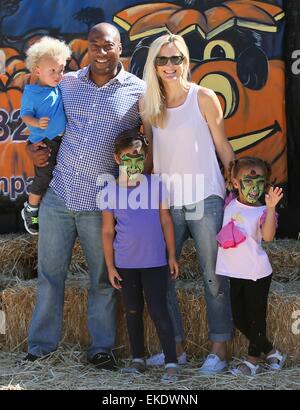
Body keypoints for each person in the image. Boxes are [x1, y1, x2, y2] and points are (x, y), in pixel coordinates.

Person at [24, 23, 146, 370]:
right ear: (87, 49)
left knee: (102, 279)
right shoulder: (67, 82)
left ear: (120, 47)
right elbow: (42, 126)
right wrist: (33, 149)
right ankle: (40, 346)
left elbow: (145, 143)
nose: (101, 52)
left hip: (101, 205)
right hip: (60, 196)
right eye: (94, 46)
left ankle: (102, 348)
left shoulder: (138, 90)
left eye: (108, 46)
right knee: (50, 276)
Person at [142, 34, 234, 373]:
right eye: (162, 60)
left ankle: (219, 349)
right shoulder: (148, 105)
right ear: (153, 65)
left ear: (186, 61)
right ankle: (175, 349)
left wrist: (235, 183)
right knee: (163, 275)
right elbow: (150, 158)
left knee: (213, 275)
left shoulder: (204, 97)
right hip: (167, 203)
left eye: (176, 58)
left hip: (205, 197)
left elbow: (223, 145)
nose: (170, 66)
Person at [101, 129, 180, 381]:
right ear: (117, 159)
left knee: (159, 310)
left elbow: (166, 221)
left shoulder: (156, 185)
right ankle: (138, 358)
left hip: (155, 261)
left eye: (138, 158)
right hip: (126, 263)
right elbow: (106, 232)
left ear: (144, 158)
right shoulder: (108, 191)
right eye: (127, 158)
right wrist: (111, 267)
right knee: (132, 310)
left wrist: (171, 256)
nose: (133, 164)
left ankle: (171, 361)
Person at [216, 156, 286, 376]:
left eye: (259, 183)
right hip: (234, 272)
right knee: (239, 319)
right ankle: (273, 352)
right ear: (236, 182)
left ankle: (252, 362)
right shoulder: (229, 202)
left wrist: (271, 208)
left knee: (256, 319)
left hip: (256, 273)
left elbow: (268, 236)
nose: (254, 188)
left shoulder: (262, 211)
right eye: (248, 182)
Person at [20, 36, 71, 235]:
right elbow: (24, 115)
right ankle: (31, 208)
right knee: (44, 176)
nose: (58, 75)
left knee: (58, 176)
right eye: (53, 71)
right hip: (43, 143)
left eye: (61, 70)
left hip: (61, 140)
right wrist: (36, 122)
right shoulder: (32, 93)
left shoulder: (60, 87)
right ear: (37, 71)